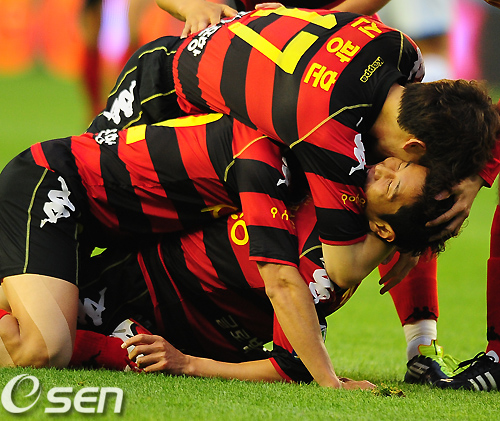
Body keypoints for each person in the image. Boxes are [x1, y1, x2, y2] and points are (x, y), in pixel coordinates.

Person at [86, 7, 500, 387]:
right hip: (163, 90)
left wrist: (417, 223)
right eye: (408, 163)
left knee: (405, 200)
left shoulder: (402, 52)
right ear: (413, 147)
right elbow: (341, 267)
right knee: (82, 211)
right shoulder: (331, 135)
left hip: (239, 103)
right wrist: (409, 238)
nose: (389, 168)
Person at [0, 154, 452, 388]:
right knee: (37, 342)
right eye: (396, 163)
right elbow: (291, 365)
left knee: (51, 341)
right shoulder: (336, 188)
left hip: (170, 325)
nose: (382, 165)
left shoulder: (335, 256)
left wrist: (187, 362)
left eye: (393, 181)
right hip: (133, 287)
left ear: (384, 229)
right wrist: (188, 364)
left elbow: (288, 364)